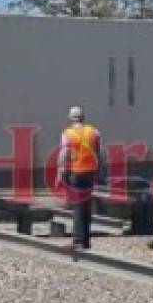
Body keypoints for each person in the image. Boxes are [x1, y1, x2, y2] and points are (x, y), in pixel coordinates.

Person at [55, 105, 102, 251]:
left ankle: (78, 241)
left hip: (76, 173)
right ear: (83, 118)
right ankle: (86, 240)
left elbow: (64, 154)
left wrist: (60, 173)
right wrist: (99, 171)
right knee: (86, 207)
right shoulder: (94, 132)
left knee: (77, 207)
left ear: (70, 118)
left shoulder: (68, 133)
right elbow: (100, 154)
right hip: (90, 173)